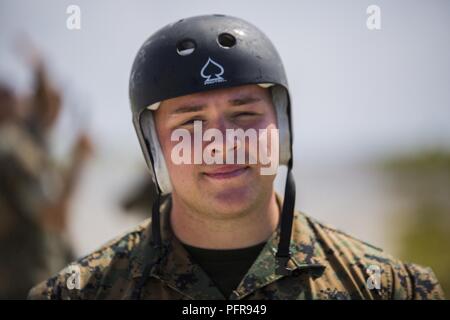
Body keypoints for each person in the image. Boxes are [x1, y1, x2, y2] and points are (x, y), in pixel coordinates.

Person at [28, 14, 444, 300]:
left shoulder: (388, 287)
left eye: (244, 114)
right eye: (191, 123)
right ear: (154, 148)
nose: (223, 141)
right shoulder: (78, 292)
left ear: (281, 128)